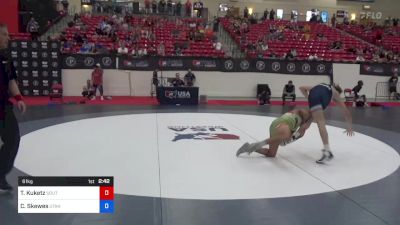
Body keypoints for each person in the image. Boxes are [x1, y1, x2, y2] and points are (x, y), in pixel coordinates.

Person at [0, 22, 27, 191]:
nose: (8, 38)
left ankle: (0, 174)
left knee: (13, 139)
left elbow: (11, 80)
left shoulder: (6, 58)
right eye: (4, 34)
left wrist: (19, 98)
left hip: (3, 107)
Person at [299, 83, 354, 164]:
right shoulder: (335, 93)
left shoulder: (319, 86)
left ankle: (295, 135)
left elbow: (301, 87)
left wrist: (309, 98)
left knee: (312, 119)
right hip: (318, 98)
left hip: (314, 96)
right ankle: (327, 151)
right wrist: (349, 126)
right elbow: (346, 112)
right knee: (321, 123)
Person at [236, 109, 312, 157]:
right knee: (286, 136)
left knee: (271, 154)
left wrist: (291, 138)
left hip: (277, 126)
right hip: (283, 123)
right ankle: (259, 144)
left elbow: (301, 132)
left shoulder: (307, 118)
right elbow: (300, 114)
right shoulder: (306, 113)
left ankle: (248, 147)